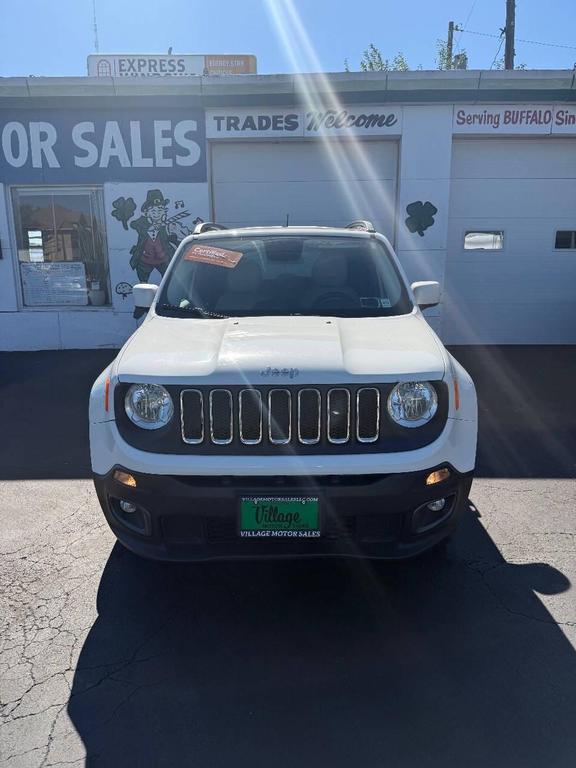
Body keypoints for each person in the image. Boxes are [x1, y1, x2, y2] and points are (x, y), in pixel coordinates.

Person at [129, 189, 190, 282]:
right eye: (153, 210)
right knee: (143, 285)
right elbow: (133, 224)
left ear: (164, 212)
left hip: (163, 260)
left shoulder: (168, 226)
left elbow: (180, 238)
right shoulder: (141, 223)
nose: (156, 213)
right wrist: (151, 226)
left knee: (168, 282)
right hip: (144, 260)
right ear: (146, 212)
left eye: (160, 210)